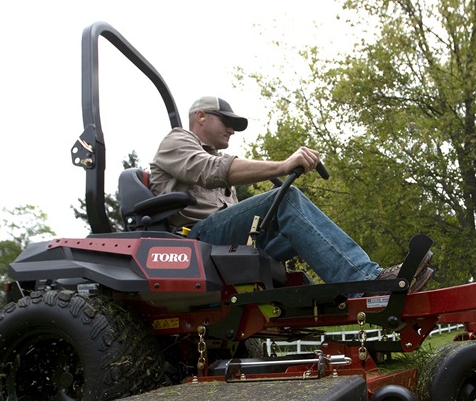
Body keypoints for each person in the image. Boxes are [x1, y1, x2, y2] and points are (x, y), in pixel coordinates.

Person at [149, 96, 432, 290]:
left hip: (223, 243)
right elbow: (211, 170)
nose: (232, 130)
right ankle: (367, 281)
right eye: (226, 121)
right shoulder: (177, 140)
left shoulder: (216, 157)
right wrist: (283, 166)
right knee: (287, 199)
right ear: (200, 116)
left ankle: (333, 297)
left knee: (293, 224)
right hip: (195, 242)